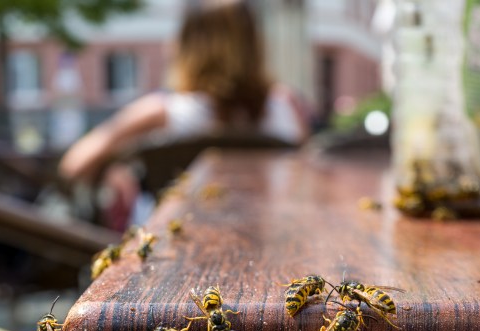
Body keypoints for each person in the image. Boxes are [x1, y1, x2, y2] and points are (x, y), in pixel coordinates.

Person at [59, 0, 310, 229]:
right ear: (256, 45)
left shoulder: (160, 112)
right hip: (270, 236)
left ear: (186, 45)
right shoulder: (286, 106)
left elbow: (73, 166)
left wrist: (113, 163)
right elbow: (308, 175)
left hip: (168, 252)